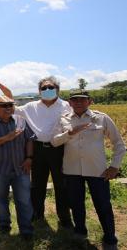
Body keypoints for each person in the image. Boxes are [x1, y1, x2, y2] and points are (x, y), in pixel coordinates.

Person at [51, 89, 126, 249]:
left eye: (82, 99)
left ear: (90, 101)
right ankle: (80, 232)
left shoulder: (101, 118)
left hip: (97, 171)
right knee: (76, 204)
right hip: (72, 171)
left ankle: (110, 238)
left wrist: (114, 166)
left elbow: (119, 144)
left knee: (103, 205)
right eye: (74, 100)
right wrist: (70, 133)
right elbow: (54, 141)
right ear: (69, 103)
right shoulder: (63, 119)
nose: (78, 102)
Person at [0, 77, 73, 227]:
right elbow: (13, 110)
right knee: (37, 185)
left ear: (57, 89)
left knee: (61, 184)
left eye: (51, 87)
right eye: (44, 88)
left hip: (59, 149)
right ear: (39, 91)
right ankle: (37, 214)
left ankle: (64, 217)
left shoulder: (66, 106)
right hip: (38, 149)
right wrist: (9, 95)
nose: (47, 90)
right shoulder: (31, 106)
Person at [0, 95, 36, 240]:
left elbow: (29, 140)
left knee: (24, 200)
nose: (8, 108)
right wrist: (7, 137)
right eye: (3, 105)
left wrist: (29, 158)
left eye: (10, 105)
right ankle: (4, 225)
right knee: (0, 199)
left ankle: (26, 229)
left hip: (21, 169)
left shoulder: (21, 121)